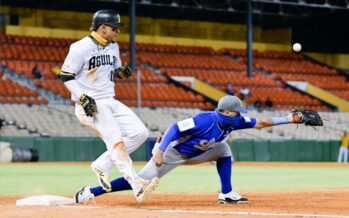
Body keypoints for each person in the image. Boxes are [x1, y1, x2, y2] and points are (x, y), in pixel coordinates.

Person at [75, 95, 308, 204]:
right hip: (173, 153)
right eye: (237, 112)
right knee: (138, 182)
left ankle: (226, 192)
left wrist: (290, 118)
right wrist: (159, 151)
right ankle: (91, 192)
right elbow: (175, 128)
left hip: (200, 152)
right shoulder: (205, 120)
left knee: (224, 151)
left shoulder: (234, 121)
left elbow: (262, 122)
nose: (241, 115)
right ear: (227, 112)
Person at [60, 9, 158, 203]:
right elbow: (66, 75)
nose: (117, 32)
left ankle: (102, 164)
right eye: (114, 28)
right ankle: (136, 184)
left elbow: (114, 73)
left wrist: (122, 73)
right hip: (91, 104)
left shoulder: (113, 47)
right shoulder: (80, 47)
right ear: (103, 28)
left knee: (140, 133)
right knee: (116, 141)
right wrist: (82, 97)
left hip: (110, 100)